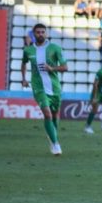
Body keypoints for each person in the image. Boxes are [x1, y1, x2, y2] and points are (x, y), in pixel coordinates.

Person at [21, 24, 68, 155]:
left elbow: (65, 67)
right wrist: (24, 78)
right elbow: (24, 63)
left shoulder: (55, 48)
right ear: (34, 34)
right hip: (38, 88)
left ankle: (52, 136)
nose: (40, 34)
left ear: (46, 34)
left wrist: (52, 68)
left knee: (54, 115)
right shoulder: (28, 51)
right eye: (38, 32)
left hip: (54, 88)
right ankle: (55, 144)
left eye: (43, 32)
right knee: (47, 114)